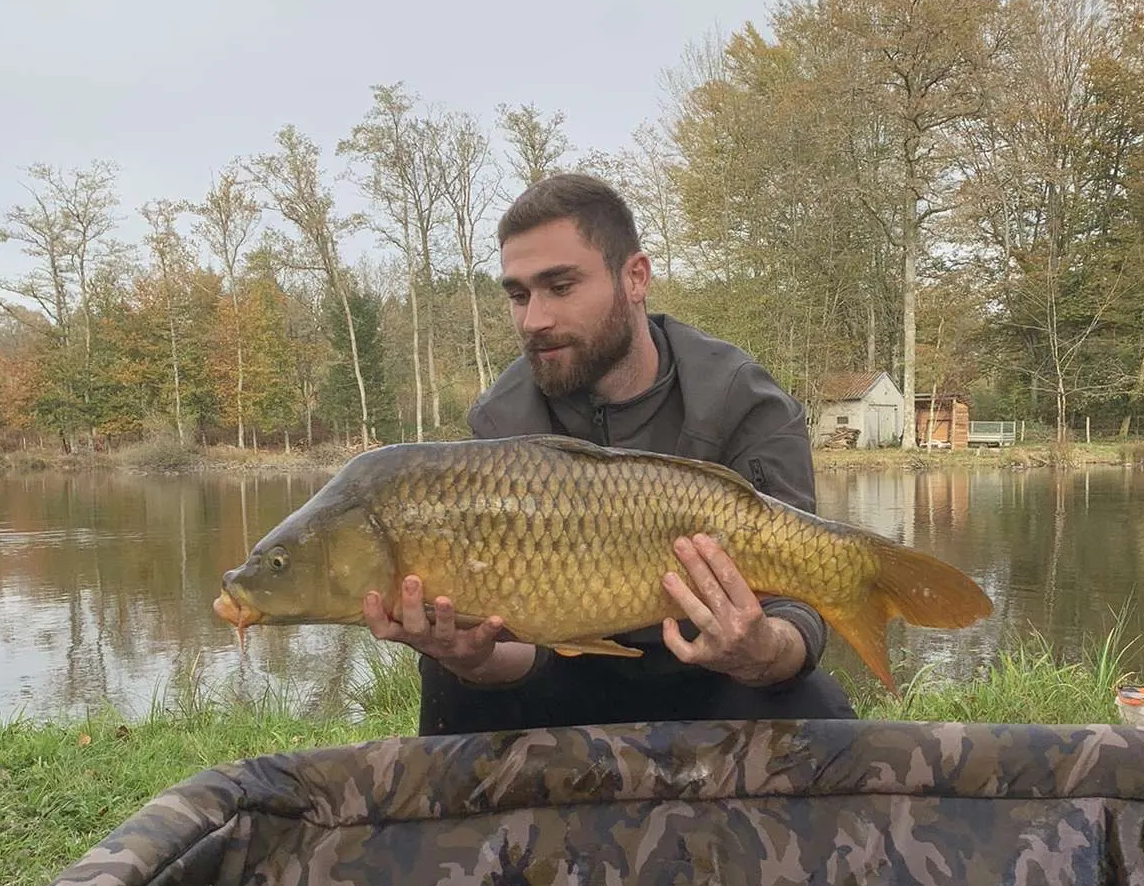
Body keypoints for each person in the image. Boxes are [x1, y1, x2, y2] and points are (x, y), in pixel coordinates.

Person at [362, 171, 856, 734]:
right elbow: (521, 646)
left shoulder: (741, 400)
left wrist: (766, 647)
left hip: (715, 670)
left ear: (636, 278)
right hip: (566, 670)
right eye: (518, 295)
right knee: (450, 677)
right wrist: (470, 655)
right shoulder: (502, 418)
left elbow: (799, 605)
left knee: (812, 704)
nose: (534, 319)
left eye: (561, 286)